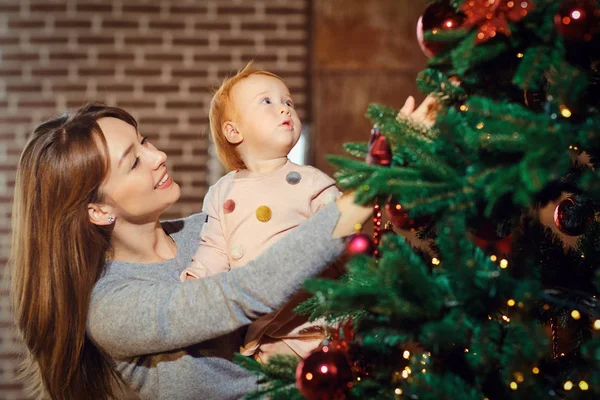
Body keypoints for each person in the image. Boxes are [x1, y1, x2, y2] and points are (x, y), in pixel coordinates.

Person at [8, 102, 373, 400]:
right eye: (134, 161)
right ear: (99, 210)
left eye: (145, 141)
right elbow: (245, 291)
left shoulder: (209, 227)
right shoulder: (112, 306)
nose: (158, 155)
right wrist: (372, 186)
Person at [180, 65, 342, 363]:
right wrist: (196, 280)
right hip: (261, 327)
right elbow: (215, 248)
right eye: (267, 102)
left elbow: (342, 234)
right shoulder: (221, 192)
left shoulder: (312, 182)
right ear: (234, 131)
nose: (284, 109)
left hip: (313, 320)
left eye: (288, 102)